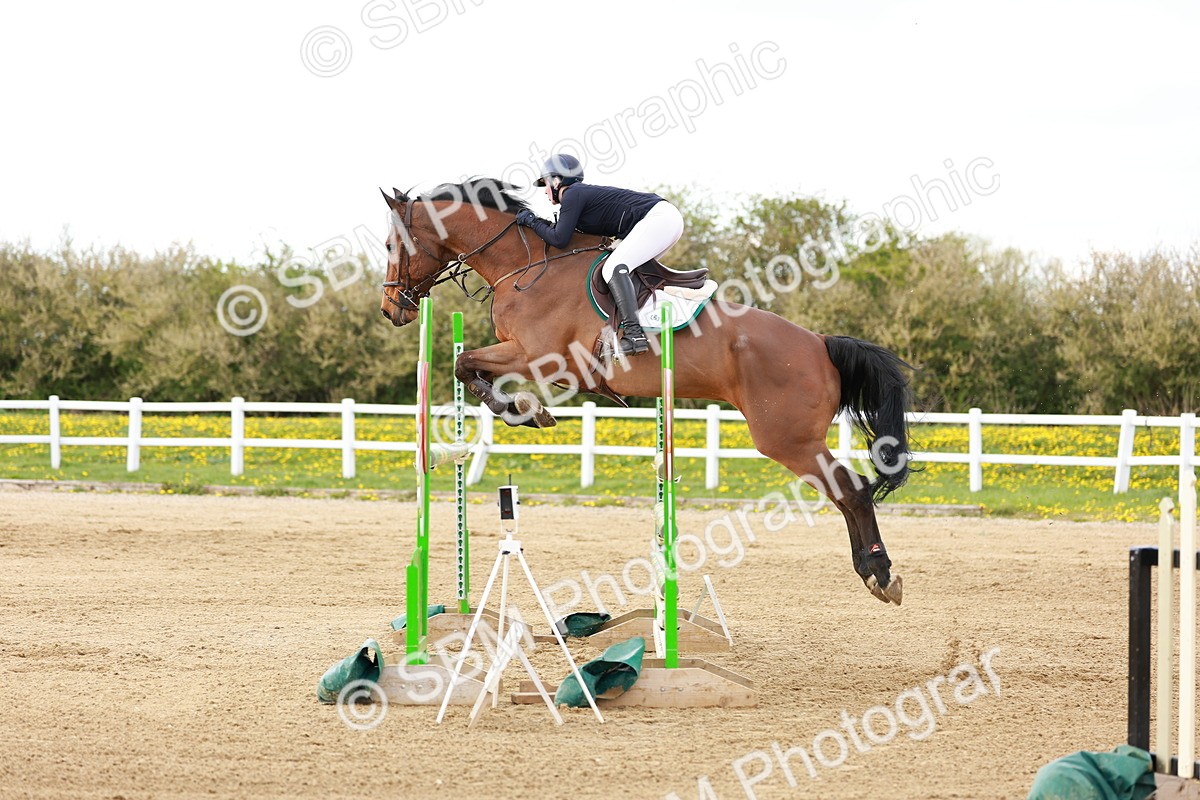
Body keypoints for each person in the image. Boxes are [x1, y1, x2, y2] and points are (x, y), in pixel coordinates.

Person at [515, 154, 684, 356]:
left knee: (614, 268)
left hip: (659, 219)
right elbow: (567, 236)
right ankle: (646, 323)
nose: (545, 191)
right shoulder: (576, 197)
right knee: (626, 270)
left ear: (556, 180)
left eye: (545, 184)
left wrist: (532, 221)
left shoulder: (572, 194)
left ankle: (634, 335)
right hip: (663, 220)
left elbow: (560, 239)